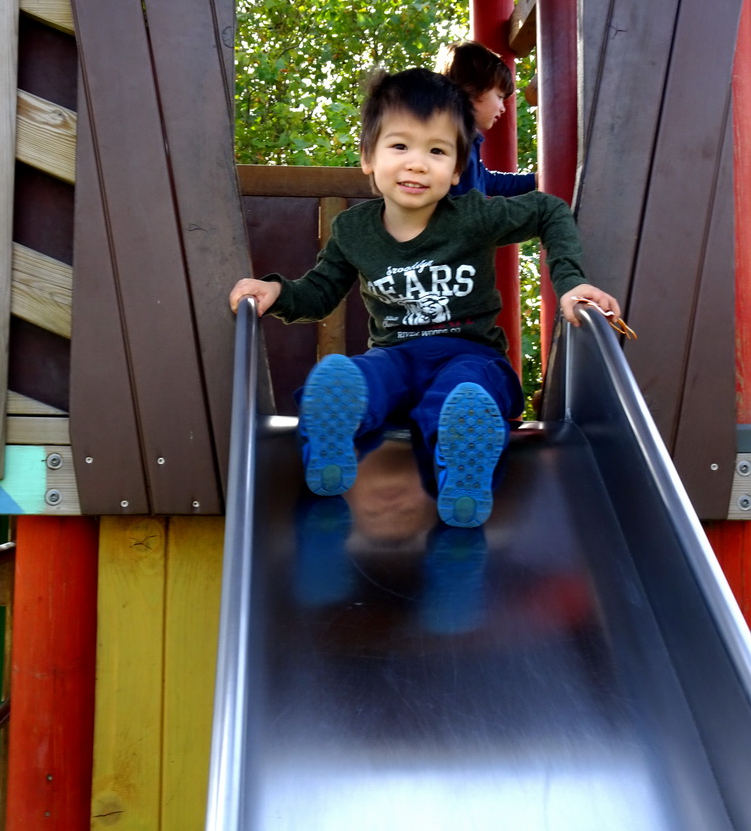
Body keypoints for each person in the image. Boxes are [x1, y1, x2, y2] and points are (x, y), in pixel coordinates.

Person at [229, 68, 618, 528]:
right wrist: (277, 290)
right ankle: (332, 446)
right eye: (400, 146)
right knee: (362, 376)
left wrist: (570, 281)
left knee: (466, 393)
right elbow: (319, 292)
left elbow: (547, 210)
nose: (417, 163)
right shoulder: (354, 230)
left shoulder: (471, 216)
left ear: (456, 170)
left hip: (469, 352)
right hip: (395, 355)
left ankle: (463, 477)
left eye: (436, 151)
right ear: (368, 158)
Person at [436, 39, 536, 197]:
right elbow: (463, 207)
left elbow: (487, 181)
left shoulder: (465, 139)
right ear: (472, 90)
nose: (503, 108)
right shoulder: (447, 142)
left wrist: (534, 179)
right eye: (499, 96)